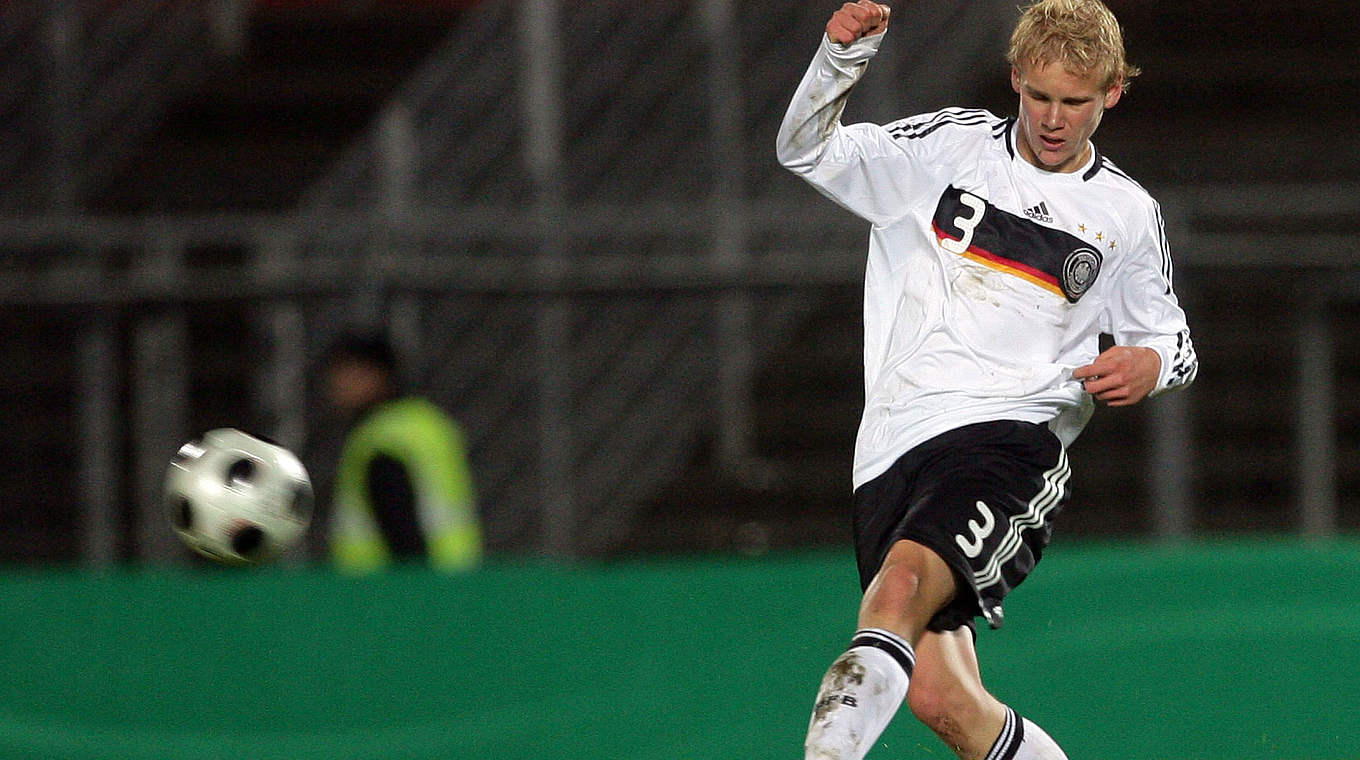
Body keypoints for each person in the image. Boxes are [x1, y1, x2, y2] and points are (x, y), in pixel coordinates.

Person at [776, 1, 1197, 758]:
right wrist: (839, 61)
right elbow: (808, 152)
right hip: (892, 446)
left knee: (897, 594)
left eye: (1075, 101)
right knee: (943, 701)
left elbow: (1171, 339)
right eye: (1039, 95)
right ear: (1014, 79)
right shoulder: (946, 148)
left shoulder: (1127, 214)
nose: (1054, 118)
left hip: (1010, 439)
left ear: (1112, 94)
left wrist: (1151, 362)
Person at [323, 332, 483, 573]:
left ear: (376, 376)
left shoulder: (380, 440)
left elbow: (402, 532)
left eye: (346, 373)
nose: (336, 385)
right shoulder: (429, 423)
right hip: (455, 584)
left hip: (386, 596)